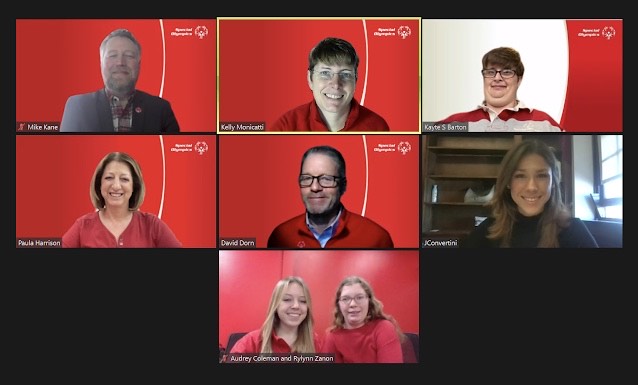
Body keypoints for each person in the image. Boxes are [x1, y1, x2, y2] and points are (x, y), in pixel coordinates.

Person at [462, 140, 598, 248]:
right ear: (508, 182)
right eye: (520, 176)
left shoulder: (573, 231)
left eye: (542, 176)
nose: (531, 187)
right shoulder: (488, 230)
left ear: (553, 182)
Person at [267, 145, 394, 248]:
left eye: (326, 179)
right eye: (307, 178)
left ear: (343, 186)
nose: (315, 187)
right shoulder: (280, 235)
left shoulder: (376, 238)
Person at [60, 28, 180, 133]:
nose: (120, 62)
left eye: (129, 55)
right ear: (101, 63)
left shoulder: (160, 109)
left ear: (139, 64)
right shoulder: (78, 107)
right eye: (112, 55)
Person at [62, 152, 182, 247]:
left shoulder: (152, 226)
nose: (116, 186)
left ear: (134, 186)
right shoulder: (82, 226)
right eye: (109, 178)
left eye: (124, 179)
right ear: (99, 184)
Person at [269, 37, 390, 132]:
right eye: (325, 73)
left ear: (356, 80)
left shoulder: (377, 127)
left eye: (345, 74)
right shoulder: (285, 127)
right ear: (310, 79)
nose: (336, 84)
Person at [437, 47, 563, 132]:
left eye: (507, 72)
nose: (497, 78)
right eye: (491, 72)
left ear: (519, 79)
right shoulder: (452, 124)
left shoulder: (546, 124)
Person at [228, 276, 321, 355]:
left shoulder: (315, 342)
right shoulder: (251, 342)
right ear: (275, 305)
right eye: (287, 299)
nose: (296, 306)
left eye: (303, 301)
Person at [321, 276, 405, 363]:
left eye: (359, 297)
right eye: (345, 299)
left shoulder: (384, 328)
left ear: (369, 301)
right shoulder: (331, 336)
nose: (352, 304)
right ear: (338, 304)